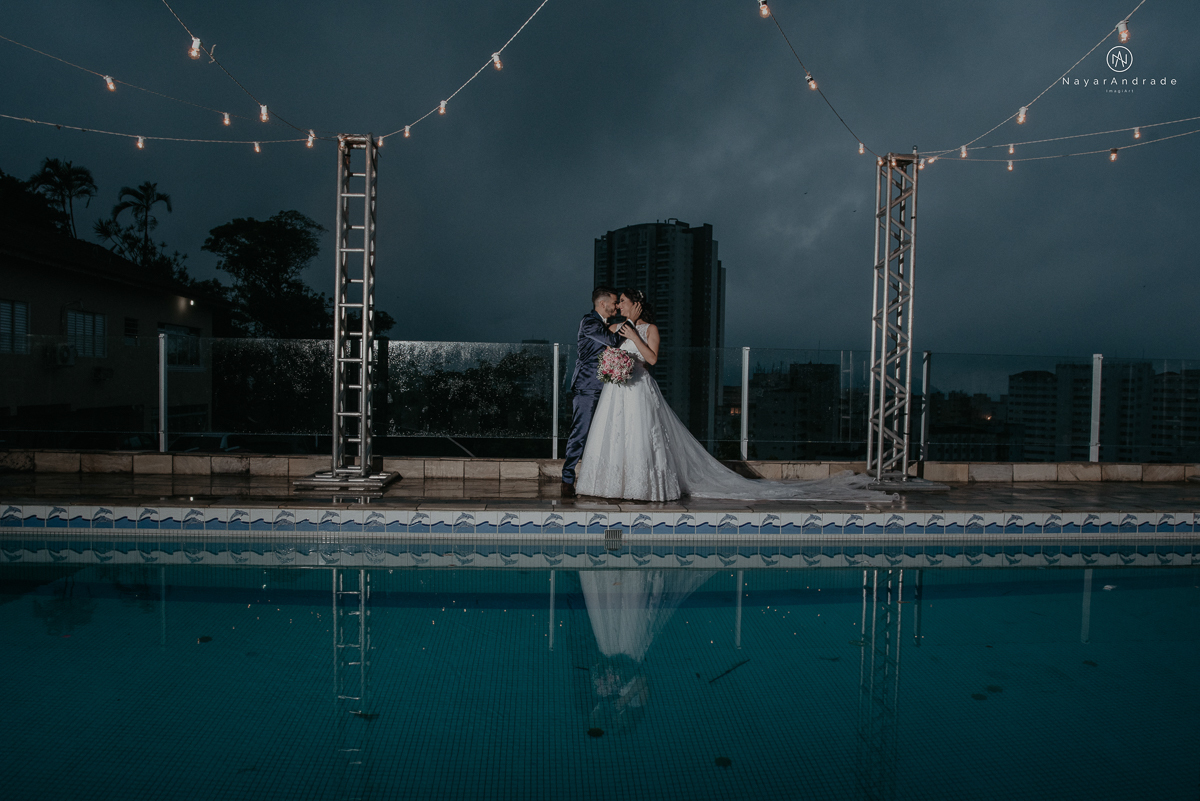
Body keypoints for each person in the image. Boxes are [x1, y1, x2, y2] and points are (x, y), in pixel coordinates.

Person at [575, 288, 889, 502]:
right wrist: (614, 362)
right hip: (618, 392)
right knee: (615, 437)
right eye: (619, 304)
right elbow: (609, 349)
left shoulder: (649, 329)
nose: (619, 306)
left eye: (624, 302)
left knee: (641, 437)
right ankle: (610, 484)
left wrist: (632, 337)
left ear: (636, 304)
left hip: (641, 390)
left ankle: (643, 487)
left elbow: (653, 359)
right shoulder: (619, 327)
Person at [560, 287, 624, 498]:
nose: (616, 307)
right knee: (581, 432)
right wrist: (631, 324)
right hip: (588, 387)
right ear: (602, 304)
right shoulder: (589, 322)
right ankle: (567, 480)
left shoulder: (604, 324)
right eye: (614, 303)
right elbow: (613, 341)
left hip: (608, 388)